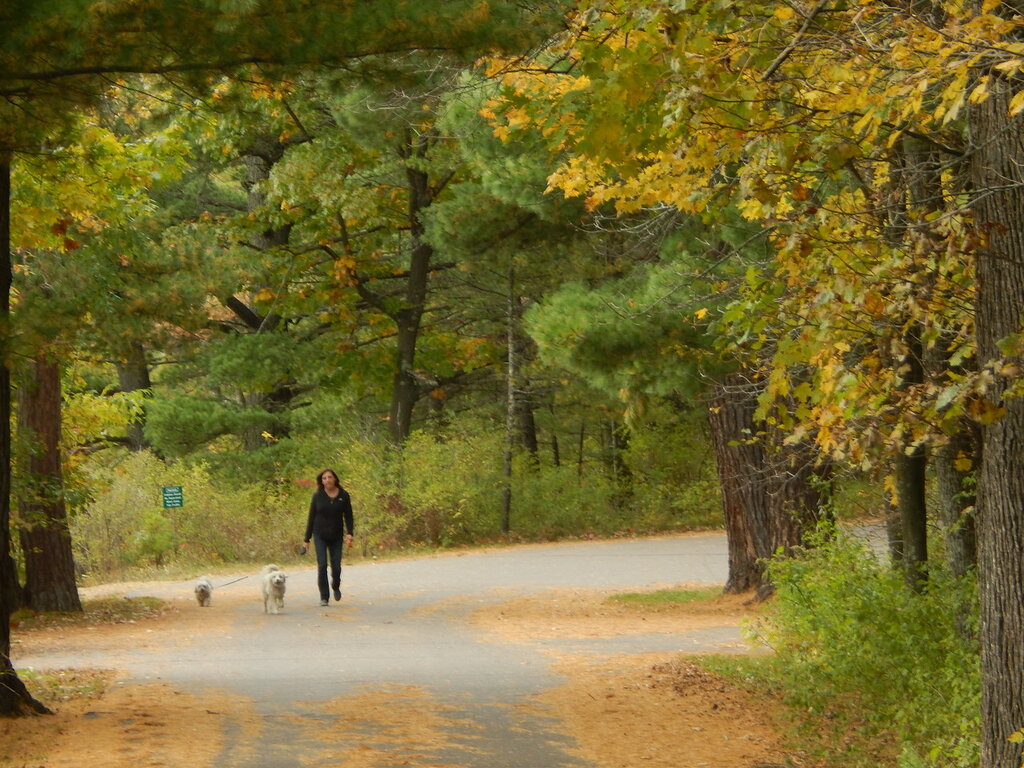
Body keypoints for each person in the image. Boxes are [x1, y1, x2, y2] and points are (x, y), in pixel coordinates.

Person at [302, 468, 354, 607]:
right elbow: (311, 518)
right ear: (321, 481)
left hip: (336, 535)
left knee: (336, 566)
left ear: (335, 479)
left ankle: (335, 585)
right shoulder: (317, 496)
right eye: (324, 478)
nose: (327, 480)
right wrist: (306, 539)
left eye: (330, 477)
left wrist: (350, 533)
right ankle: (324, 597)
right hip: (320, 534)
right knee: (322, 564)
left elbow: (348, 516)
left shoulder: (344, 495)